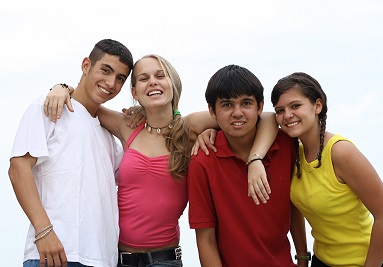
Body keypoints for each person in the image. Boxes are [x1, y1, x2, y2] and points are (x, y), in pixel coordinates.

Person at [45, 55, 280, 267]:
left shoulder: (190, 128)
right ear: (135, 92)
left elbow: (267, 118)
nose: (153, 82)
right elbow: (86, 104)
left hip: (164, 260)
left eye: (160, 75)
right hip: (116, 258)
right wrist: (61, 88)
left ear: (173, 85)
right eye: (144, 78)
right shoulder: (127, 127)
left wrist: (255, 159)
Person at [9, 39, 133, 267]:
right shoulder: (48, 107)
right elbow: (18, 168)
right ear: (86, 65)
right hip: (55, 255)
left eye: (120, 79)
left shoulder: (109, 138)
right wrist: (43, 231)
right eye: (105, 70)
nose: (111, 83)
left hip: (104, 260)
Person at [265, 72, 383, 266]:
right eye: (280, 110)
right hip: (320, 260)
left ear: (317, 105)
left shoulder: (340, 152)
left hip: (360, 263)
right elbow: (248, 120)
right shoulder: (294, 154)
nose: (287, 115)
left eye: (295, 106)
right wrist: (302, 257)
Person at [187, 64, 309, 267]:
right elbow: (205, 238)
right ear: (212, 111)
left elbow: (295, 207)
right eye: (227, 105)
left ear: (260, 107)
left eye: (246, 103)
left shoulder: (286, 145)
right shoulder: (203, 160)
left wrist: (303, 258)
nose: (237, 113)